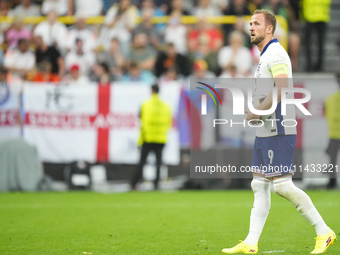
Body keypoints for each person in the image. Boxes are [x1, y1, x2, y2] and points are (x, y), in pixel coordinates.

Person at [222, 9, 336, 254]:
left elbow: (283, 88)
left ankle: (324, 231)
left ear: (270, 29)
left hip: (279, 125)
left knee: (282, 186)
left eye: (257, 24)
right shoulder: (264, 55)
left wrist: (258, 110)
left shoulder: (276, 53)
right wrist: (256, 107)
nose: (251, 27)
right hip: (266, 127)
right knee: (259, 185)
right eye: (250, 23)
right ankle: (251, 243)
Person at [131, 84, 172, 190]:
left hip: (148, 137)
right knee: (158, 163)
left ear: (151, 91)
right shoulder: (166, 106)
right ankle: (156, 184)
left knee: (142, 162)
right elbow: (169, 122)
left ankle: (134, 183)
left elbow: (141, 120)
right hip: (160, 138)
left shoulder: (145, 104)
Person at [302, 0, 331, 72]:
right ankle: (319, 66)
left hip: (310, 16)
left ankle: (309, 65)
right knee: (320, 43)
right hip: (322, 16)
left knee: (308, 42)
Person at [324, 81, 340, 189]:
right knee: (332, 160)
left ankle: (331, 183)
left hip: (334, 134)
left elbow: (326, 114)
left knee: (332, 160)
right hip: (334, 134)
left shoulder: (329, 99)